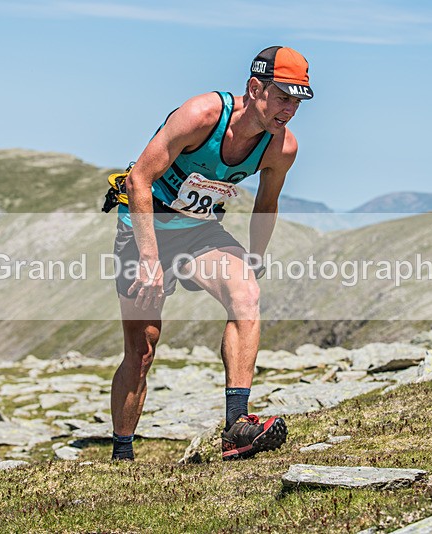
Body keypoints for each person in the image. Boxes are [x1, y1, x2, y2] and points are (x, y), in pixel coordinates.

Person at [108, 46, 313, 461]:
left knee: (246, 294)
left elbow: (267, 203)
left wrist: (255, 257)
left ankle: (236, 428)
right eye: (282, 97)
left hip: (199, 231)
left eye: (297, 102)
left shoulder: (281, 147)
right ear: (255, 88)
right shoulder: (202, 116)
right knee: (142, 349)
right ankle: (122, 453)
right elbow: (138, 180)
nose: (289, 110)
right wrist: (149, 260)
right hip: (145, 229)